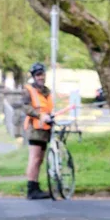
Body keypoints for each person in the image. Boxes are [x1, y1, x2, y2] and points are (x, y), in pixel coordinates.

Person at [22, 62, 68, 200]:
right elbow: (26, 108)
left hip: (45, 129)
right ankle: (31, 189)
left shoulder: (46, 91)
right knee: (34, 158)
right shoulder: (28, 90)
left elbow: (47, 108)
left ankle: (36, 186)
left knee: (40, 159)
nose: (41, 77)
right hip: (35, 128)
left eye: (42, 74)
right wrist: (40, 115)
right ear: (33, 76)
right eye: (38, 75)